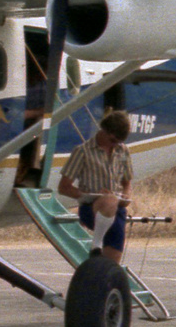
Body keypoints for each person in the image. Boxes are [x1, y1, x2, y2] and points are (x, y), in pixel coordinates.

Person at [56, 110, 133, 264]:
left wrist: (125, 195)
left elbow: (127, 181)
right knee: (109, 200)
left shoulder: (123, 151)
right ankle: (95, 245)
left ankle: (101, 281)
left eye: (118, 142)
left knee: (112, 262)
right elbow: (63, 187)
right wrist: (89, 194)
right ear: (104, 131)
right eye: (112, 140)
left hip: (117, 210)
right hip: (92, 207)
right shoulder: (82, 151)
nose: (114, 145)